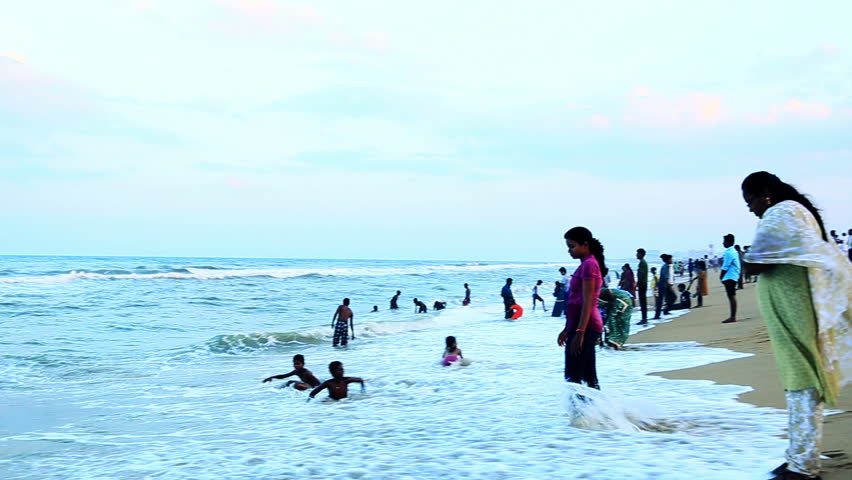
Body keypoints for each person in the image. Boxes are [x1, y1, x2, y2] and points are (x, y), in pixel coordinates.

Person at [741, 171, 852, 480]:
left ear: (765, 193)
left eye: (750, 201)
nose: (750, 209)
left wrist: (749, 256)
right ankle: (798, 456)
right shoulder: (793, 211)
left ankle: (804, 466)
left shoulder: (783, 211)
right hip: (793, 312)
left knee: (802, 382)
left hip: (795, 313)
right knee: (798, 382)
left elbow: (756, 262)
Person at [557, 227, 606, 389]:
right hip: (579, 325)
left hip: (586, 326)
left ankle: (583, 413)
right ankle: (599, 413)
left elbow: (588, 301)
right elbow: (575, 302)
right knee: (586, 377)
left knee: (575, 377)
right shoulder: (585, 264)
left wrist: (580, 332)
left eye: (572, 246)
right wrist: (567, 329)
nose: (569, 251)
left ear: (585, 245)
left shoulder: (590, 265)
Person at [720, 234, 741, 323]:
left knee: (731, 296)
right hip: (734, 275)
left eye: (724, 241)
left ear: (728, 242)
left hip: (730, 276)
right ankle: (732, 316)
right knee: (731, 296)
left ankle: (732, 316)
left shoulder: (729, 252)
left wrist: (721, 276)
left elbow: (726, 265)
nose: (723, 243)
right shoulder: (733, 251)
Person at [653, 254, 676, 319]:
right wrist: (670, 286)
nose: (672, 260)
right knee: (661, 300)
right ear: (668, 260)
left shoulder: (667, 266)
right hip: (663, 286)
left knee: (670, 298)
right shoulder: (665, 267)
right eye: (671, 259)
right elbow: (666, 278)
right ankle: (657, 315)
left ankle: (665, 310)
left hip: (665, 285)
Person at [636, 248, 649, 325]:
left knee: (642, 301)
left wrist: (638, 283)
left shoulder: (642, 263)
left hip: (642, 284)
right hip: (643, 283)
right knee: (642, 301)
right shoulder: (642, 262)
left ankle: (644, 318)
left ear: (641, 254)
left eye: (637, 253)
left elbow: (641, 274)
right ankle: (644, 318)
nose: (636, 255)